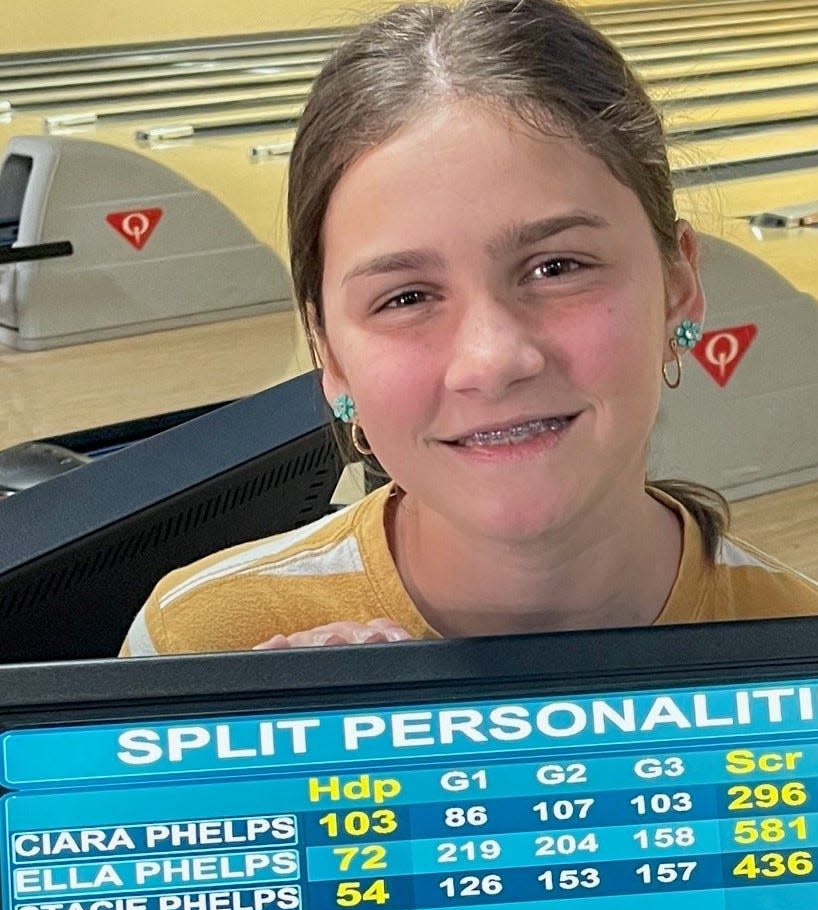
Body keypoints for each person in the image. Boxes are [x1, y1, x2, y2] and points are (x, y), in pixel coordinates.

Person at [120, 0, 818, 658]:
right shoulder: (198, 643)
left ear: (678, 288)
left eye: (557, 266)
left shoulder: (798, 649)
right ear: (330, 356)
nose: (492, 359)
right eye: (407, 297)